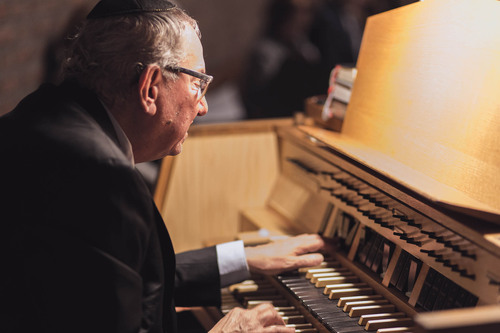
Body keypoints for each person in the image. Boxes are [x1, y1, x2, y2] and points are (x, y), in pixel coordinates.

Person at [0, 1, 326, 332]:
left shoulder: (37, 116)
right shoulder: (103, 179)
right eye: (198, 83)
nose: (203, 106)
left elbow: (115, 278)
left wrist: (243, 260)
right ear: (151, 87)